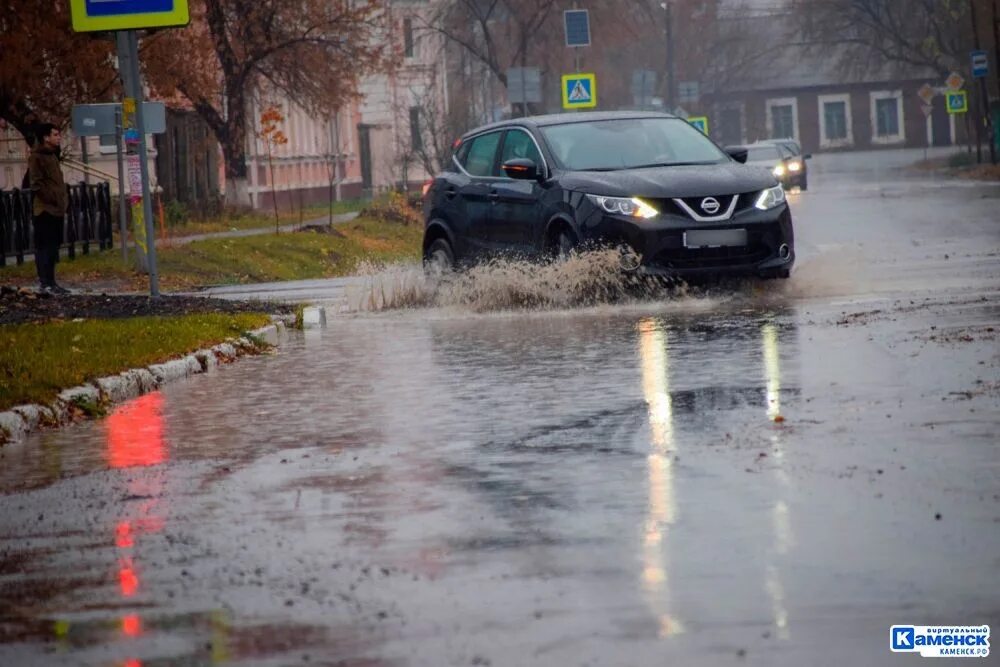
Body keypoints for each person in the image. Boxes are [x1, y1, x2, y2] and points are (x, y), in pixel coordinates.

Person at [28, 123, 69, 294]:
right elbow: (36, 184)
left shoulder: (52, 156)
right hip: (44, 209)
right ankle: (45, 282)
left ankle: (52, 282)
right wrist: (52, 198)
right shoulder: (37, 157)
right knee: (44, 246)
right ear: (46, 137)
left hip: (56, 208)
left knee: (53, 246)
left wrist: (62, 200)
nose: (59, 137)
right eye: (55, 134)